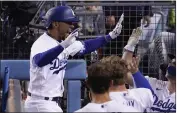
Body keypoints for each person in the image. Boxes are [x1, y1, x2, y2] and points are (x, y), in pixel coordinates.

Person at [24, 6, 124, 112]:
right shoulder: (41, 42)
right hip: (39, 103)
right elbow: (39, 61)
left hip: (51, 104)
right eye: (68, 22)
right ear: (55, 24)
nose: (71, 25)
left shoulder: (64, 42)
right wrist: (63, 46)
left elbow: (86, 46)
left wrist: (110, 36)